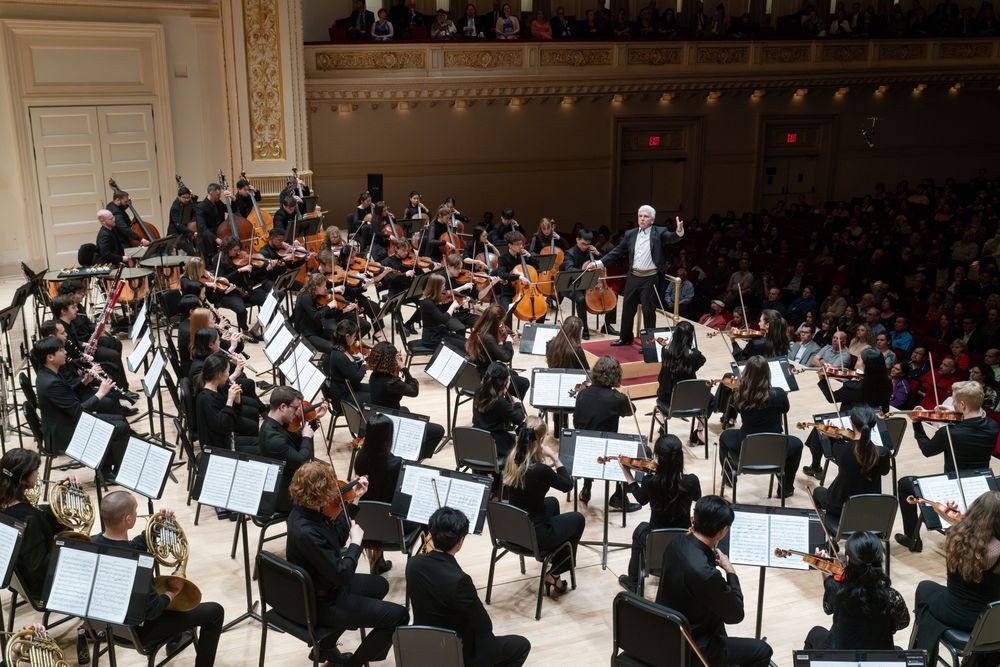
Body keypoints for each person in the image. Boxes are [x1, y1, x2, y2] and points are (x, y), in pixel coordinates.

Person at [286, 462, 408, 666]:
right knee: (399, 616)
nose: (337, 492)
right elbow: (343, 574)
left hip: (324, 586)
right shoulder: (308, 532)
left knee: (380, 585)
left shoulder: (304, 513)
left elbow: (336, 536)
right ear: (320, 494)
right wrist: (356, 544)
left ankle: (326, 646)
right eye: (331, 489)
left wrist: (355, 499)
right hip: (324, 602)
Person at [91, 492, 224, 667]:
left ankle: (177, 636)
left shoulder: (91, 545)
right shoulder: (137, 565)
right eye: (136, 510)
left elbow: (129, 547)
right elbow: (154, 611)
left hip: (105, 627)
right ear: (128, 519)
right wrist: (172, 592)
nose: (138, 513)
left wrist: (158, 526)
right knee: (215, 612)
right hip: (140, 632)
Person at [656, 495, 773, 666]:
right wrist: (730, 571)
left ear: (694, 518)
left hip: (668, 631)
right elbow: (735, 615)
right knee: (762, 650)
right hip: (695, 646)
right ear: (723, 531)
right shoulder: (706, 574)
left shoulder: (676, 543)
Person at [407, 506, 531, 666]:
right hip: (457, 650)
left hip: (425, 643)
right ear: (460, 542)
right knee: (521, 646)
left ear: (431, 534)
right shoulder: (459, 581)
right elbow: (485, 625)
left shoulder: (412, 564)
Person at [895, 381, 998, 552]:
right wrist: (956, 414)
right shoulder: (992, 427)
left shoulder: (949, 433)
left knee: (905, 484)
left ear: (963, 404)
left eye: (955, 401)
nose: (953, 403)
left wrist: (917, 423)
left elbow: (927, 450)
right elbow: (972, 427)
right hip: (982, 484)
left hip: (955, 484)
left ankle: (912, 539)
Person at [910, 491, 1000, 663]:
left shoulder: (955, 534)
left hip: (954, 611)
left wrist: (945, 513)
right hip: (988, 620)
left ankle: (922, 652)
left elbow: (965, 529)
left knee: (925, 587)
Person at [503, 417, 583, 597]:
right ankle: (554, 573)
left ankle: (556, 553)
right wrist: (555, 458)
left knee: (552, 502)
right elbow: (567, 485)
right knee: (578, 519)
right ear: (539, 441)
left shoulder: (511, 459)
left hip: (514, 529)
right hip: (534, 535)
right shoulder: (540, 470)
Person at [583, 205, 684, 346]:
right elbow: (617, 251)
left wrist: (678, 232)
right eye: (640, 216)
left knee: (649, 313)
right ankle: (625, 338)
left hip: (650, 278)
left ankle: (649, 344)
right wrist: (598, 263)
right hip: (633, 276)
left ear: (652, 220)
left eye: (646, 216)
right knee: (628, 309)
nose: (642, 219)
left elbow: (671, 237)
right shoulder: (631, 234)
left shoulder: (660, 232)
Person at [32, 336, 128, 477]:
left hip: (65, 422)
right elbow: (78, 412)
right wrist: (100, 394)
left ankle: (106, 467)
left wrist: (84, 381)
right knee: (121, 427)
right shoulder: (51, 382)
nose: (65, 352)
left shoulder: (47, 373)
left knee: (119, 419)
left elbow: (68, 395)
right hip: (64, 432)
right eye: (61, 350)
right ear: (50, 357)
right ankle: (111, 473)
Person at [618, 434, 702, 593]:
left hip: (655, 538)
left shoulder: (651, 482)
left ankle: (633, 580)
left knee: (639, 531)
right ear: (680, 457)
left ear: (658, 457)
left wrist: (627, 472)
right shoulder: (691, 481)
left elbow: (641, 500)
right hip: (683, 540)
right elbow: (697, 498)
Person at [803, 531, 909, 650]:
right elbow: (903, 623)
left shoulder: (837, 589)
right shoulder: (892, 596)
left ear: (848, 559)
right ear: (880, 559)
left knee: (815, 633)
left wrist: (824, 569)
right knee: (897, 649)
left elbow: (828, 608)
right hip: (877, 657)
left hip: (843, 657)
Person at [718, 355, 803, 498]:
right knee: (797, 444)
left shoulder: (740, 395)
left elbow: (738, 410)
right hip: (775, 446)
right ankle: (786, 488)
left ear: (746, 374)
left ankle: (729, 477)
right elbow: (785, 409)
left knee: (724, 437)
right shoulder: (779, 394)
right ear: (767, 373)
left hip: (747, 445)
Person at [804, 406, 891, 530]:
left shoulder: (842, 450)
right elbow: (885, 471)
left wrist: (832, 437)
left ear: (852, 423)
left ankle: (828, 533)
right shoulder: (882, 452)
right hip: (870, 508)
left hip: (840, 507)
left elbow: (839, 452)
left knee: (818, 491)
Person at [573, 355, 639, 511]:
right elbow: (632, 411)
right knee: (633, 449)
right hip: (606, 450)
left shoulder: (582, 393)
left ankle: (586, 488)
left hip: (582, 445)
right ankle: (619, 496)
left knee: (593, 435)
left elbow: (577, 420)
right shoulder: (617, 398)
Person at [0, 450, 66, 599]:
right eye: (35, 470)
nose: (38, 474)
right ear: (23, 478)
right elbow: (39, 568)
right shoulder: (28, 519)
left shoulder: (7, 503)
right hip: (40, 585)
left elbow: (39, 517)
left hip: (17, 578)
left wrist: (60, 498)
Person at [366, 341, 444, 460]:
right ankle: (415, 458)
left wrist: (396, 371)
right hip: (391, 422)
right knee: (438, 430)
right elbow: (414, 391)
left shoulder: (374, 375)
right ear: (391, 360)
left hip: (380, 415)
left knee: (405, 409)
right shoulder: (391, 383)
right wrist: (403, 368)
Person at [258, 386, 327, 512]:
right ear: (283, 407)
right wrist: (306, 437)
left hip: (289, 479)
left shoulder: (274, 424)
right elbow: (302, 462)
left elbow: (293, 439)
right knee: (325, 495)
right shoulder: (273, 439)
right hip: (285, 495)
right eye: (295, 408)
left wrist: (315, 419)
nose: (297, 413)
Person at [352, 413, 402, 575]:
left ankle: (378, 559)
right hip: (392, 526)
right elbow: (397, 497)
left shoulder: (360, 458)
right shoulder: (395, 464)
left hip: (366, 520)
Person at [194, 352, 260, 454]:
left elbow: (234, 416)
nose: (229, 374)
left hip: (226, 438)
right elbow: (224, 427)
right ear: (219, 374)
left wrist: (237, 400)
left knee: (260, 443)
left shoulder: (216, 387)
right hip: (219, 449)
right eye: (227, 371)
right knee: (260, 449)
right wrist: (229, 400)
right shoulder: (205, 399)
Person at [560, 229, 617, 337]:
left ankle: (607, 326)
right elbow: (569, 269)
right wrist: (585, 270)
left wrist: (598, 253)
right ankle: (584, 329)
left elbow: (604, 263)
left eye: (587, 244)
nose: (585, 247)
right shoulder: (570, 253)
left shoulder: (591, 251)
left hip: (594, 285)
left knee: (615, 295)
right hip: (575, 285)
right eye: (583, 244)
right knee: (581, 299)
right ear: (577, 240)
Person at [466, 304, 530, 397]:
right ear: (495, 322)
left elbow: (495, 351)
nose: (502, 324)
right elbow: (506, 357)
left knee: (514, 374)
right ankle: (512, 408)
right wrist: (508, 342)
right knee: (524, 383)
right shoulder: (487, 338)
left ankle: (507, 405)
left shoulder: (481, 329)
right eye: (501, 321)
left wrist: (502, 341)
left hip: (480, 370)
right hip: (486, 376)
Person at [472, 362, 526, 459]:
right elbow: (519, 419)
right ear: (505, 382)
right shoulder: (499, 402)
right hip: (494, 443)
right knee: (524, 444)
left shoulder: (478, 391)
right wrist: (518, 404)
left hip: (478, 438)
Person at [816, 347, 891, 413]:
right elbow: (885, 407)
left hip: (854, 420)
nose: (857, 363)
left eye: (858, 360)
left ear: (866, 366)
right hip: (875, 419)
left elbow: (832, 398)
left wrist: (823, 380)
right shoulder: (887, 381)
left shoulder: (854, 387)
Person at [655, 321, 706, 415]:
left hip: (667, 397)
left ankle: (663, 425)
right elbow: (700, 362)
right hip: (689, 397)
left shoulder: (665, 351)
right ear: (690, 336)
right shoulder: (695, 355)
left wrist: (666, 346)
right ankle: (700, 428)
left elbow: (673, 354)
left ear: (675, 335)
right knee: (710, 399)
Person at [326, 320, 371, 409]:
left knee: (377, 390)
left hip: (349, 388)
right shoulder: (340, 356)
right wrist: (364, 366)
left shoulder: (341, 349)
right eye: (354, 336)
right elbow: (356, 378)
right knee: (377, 398)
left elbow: (349, 370)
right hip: (342, 398)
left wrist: (362, 362)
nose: (355, 339)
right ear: (347, 336)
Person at [419, 273, 468, 346]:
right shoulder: (427, 302)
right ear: (437, 287)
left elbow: (444, 312)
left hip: (440, 333)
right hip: (432, 338)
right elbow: (443, 319)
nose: (445, 287)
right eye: (443, 285)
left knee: (468, 342)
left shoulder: (435, 299)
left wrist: (460, 303)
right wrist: (452, 307)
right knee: (464, 346)